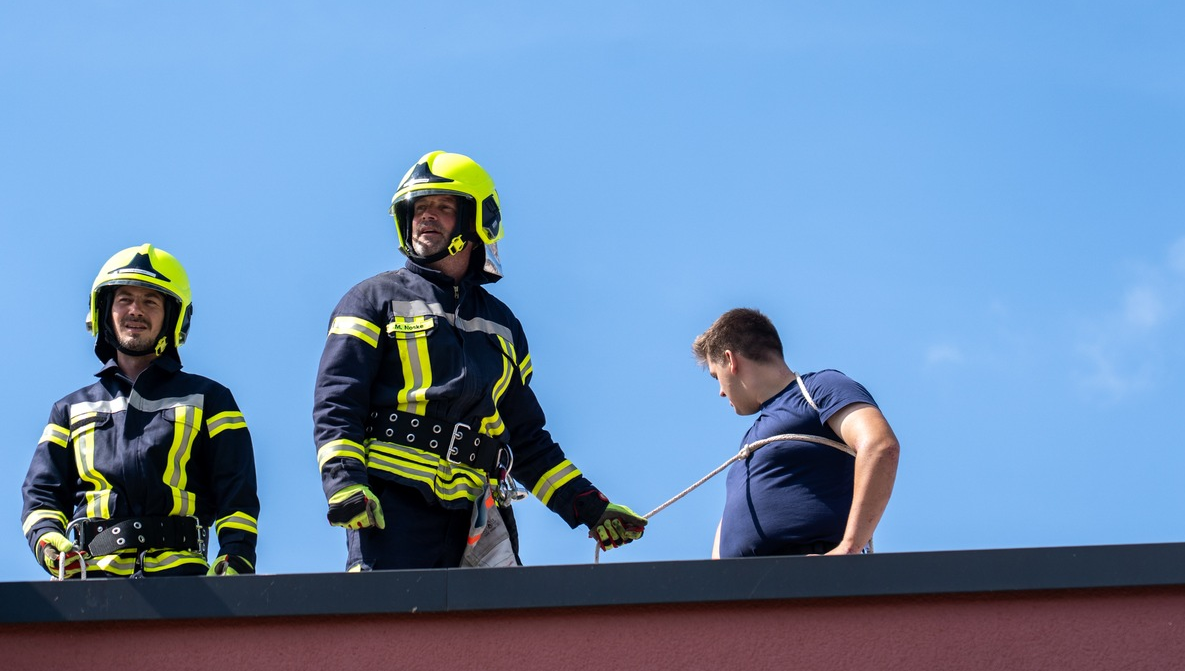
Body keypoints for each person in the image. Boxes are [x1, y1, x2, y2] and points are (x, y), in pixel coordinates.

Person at [313, 150, 645, 570]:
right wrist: (344, 485)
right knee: (393, 630)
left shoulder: (503, 325)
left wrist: (588, 507)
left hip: (479, 513)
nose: (426, 217)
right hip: (392, 508)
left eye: (443, 207)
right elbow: (338, 402)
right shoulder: (371, 300)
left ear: (475, 222)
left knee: (502, 631)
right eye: (419, 208)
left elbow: (526, 440)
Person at [20, 244, 260, 578]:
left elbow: (238, 492)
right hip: (87, 582)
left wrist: (237, 556)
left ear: (173, 317)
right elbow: (41, 494)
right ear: (105, 310)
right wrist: (47, 539)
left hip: (185, 581)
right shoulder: (68, 410)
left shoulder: (211, 399)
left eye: (150, 301)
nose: (136, 310)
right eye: (125, 299)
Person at [693, 308, 899, 558]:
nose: (721, 392)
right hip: (744, 590)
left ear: (730, 360)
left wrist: (850, 548)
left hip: (808, 576)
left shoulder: (819, 388)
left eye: (716, 376)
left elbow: (879, 445)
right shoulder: (754, 439)